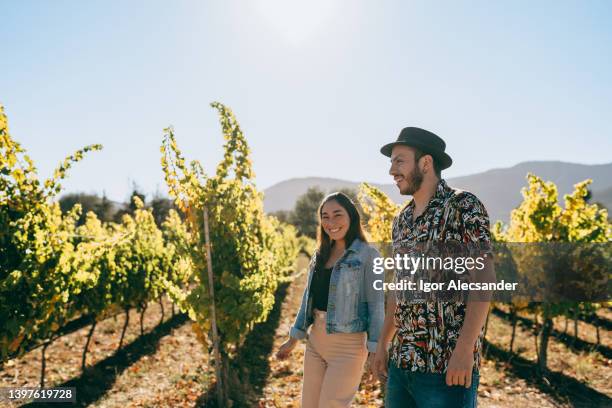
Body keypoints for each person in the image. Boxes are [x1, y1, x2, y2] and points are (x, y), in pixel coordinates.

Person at [372, 127, 493, 408]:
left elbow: (484, 279)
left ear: (425, 163)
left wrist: (464, 350)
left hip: (447, 367)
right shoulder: (401, 220)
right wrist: (382, 343)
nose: (392, 170)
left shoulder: (463, 206)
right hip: (403, 364)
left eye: (399, 161)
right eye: (391, 163)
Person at [275, 192, 384, 408]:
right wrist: (294, 339)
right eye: (325, 216)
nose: (330, 222)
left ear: (351, 216)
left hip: (349, 347)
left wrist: (375, 350)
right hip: (316, 343)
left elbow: (376, 305)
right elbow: (308, 298)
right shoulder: (320, 254)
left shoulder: (369, 255)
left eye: (337, 215)